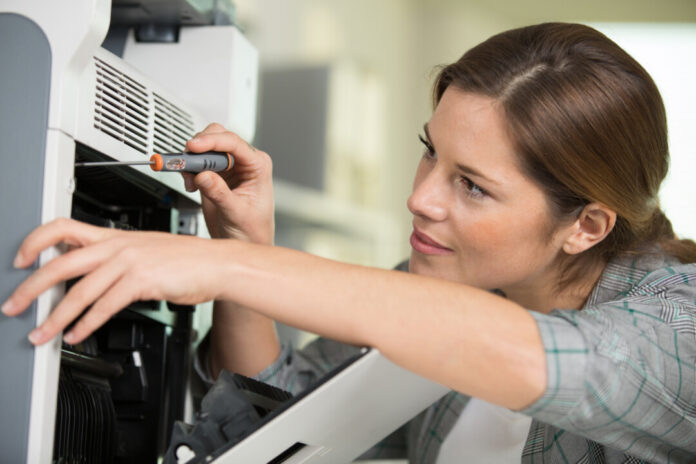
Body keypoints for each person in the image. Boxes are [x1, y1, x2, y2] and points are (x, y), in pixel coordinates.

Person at [3, 22, 696, 463]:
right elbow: (271, 426)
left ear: (586, 226)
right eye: (431, 154)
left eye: (472, 186)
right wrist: (247, 247)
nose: (420, 198)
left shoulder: (675, 330)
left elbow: (521, 353)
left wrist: (232, 264)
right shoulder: (456, 279)